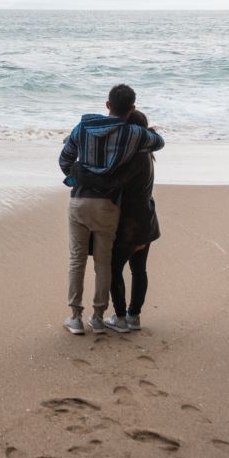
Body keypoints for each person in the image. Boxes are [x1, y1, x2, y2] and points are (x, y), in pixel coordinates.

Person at [58, 84, 164, 335]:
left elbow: (65, 160)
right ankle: (98, 317)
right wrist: (137, 133)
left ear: (107, 104)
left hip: (81, 202)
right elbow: (159, 142)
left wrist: (78, 179)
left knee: (77, 261)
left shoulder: (83, 127)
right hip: (111, 208)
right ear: (132, 109)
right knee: (106, 264)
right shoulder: (134, 136)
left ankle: (76, 318)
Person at [103, 109, 161, 333]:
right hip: (146, 219)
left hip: (130, 223)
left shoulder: (134, 156)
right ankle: (134, 316)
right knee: (139, 270)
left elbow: (115, 183)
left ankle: (120, 317)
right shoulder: (146, 152)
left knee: (113, 268)